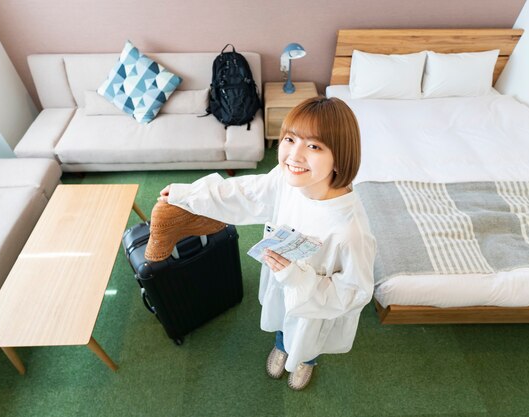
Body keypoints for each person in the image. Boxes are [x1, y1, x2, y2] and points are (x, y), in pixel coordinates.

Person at [158, 96, 375, 391]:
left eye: (314, 146)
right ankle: (282, 345)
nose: (294, 156)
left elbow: (354, 292)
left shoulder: (350, 230)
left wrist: (296, 278)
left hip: (315, 306)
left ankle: (305, 360)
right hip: (281, 283)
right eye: (290, 139)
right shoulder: (287, 181)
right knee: (282, 320)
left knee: (307, 336)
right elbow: (245, 192)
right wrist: (188, 195)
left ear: (341, 156)